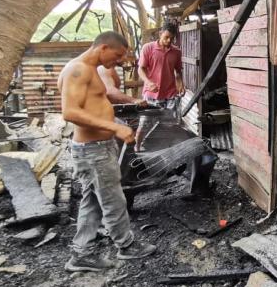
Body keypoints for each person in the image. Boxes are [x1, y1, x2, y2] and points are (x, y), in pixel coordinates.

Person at [58, 31, 157, 272]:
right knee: (113, 199)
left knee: (92, 200)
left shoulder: (89, 69)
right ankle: (126, 246)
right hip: (93, 151)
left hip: (98, 148)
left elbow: (93, 105)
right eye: (118, 55)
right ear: (103, 48)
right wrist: (114, 127)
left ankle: (81, 254)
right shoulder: (78, 70)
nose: (121, 61)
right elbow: (69, 112)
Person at [138, 23, 184, 109]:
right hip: (151, 94)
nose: (169, 40)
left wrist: (180, 83)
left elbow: (178, 71)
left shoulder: (177, 52)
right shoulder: (148, 48)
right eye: (166, 37)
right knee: (149, 121)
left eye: (172, 38)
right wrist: (148, 83)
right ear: (160, 34)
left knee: (171, 122)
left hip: (171, 95)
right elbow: (141, 69)